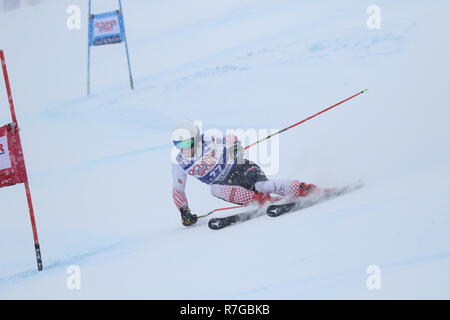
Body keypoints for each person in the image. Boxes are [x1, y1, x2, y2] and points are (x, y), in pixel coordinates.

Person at [171, 119, 325, 226]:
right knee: (214, 189)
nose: (184, 148)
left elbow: (230, 138)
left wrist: (234, 148)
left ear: (196, 137)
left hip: (241, 169)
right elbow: (178, 190)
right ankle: (261, 201)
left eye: (187, 142)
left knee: (263, 185)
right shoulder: (180, 163)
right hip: (227, 186)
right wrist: (184, 211)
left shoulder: (208, 138)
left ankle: (305, 189)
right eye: (179, 144)